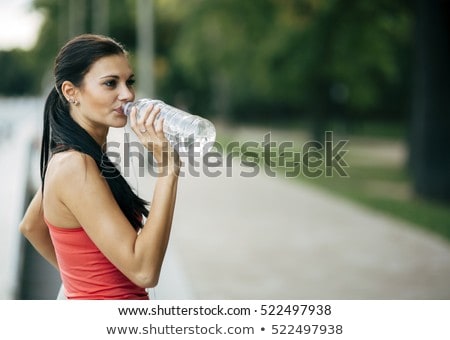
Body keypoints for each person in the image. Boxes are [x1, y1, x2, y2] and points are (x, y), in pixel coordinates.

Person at [19, 34, 180, 300]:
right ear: (71, 92)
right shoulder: (74, 166)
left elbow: (31, 225)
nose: (127, 94)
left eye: (129, 82)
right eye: (110, 83)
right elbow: (144, 271)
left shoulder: (81, 154)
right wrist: (168, 169)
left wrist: (84, 281)